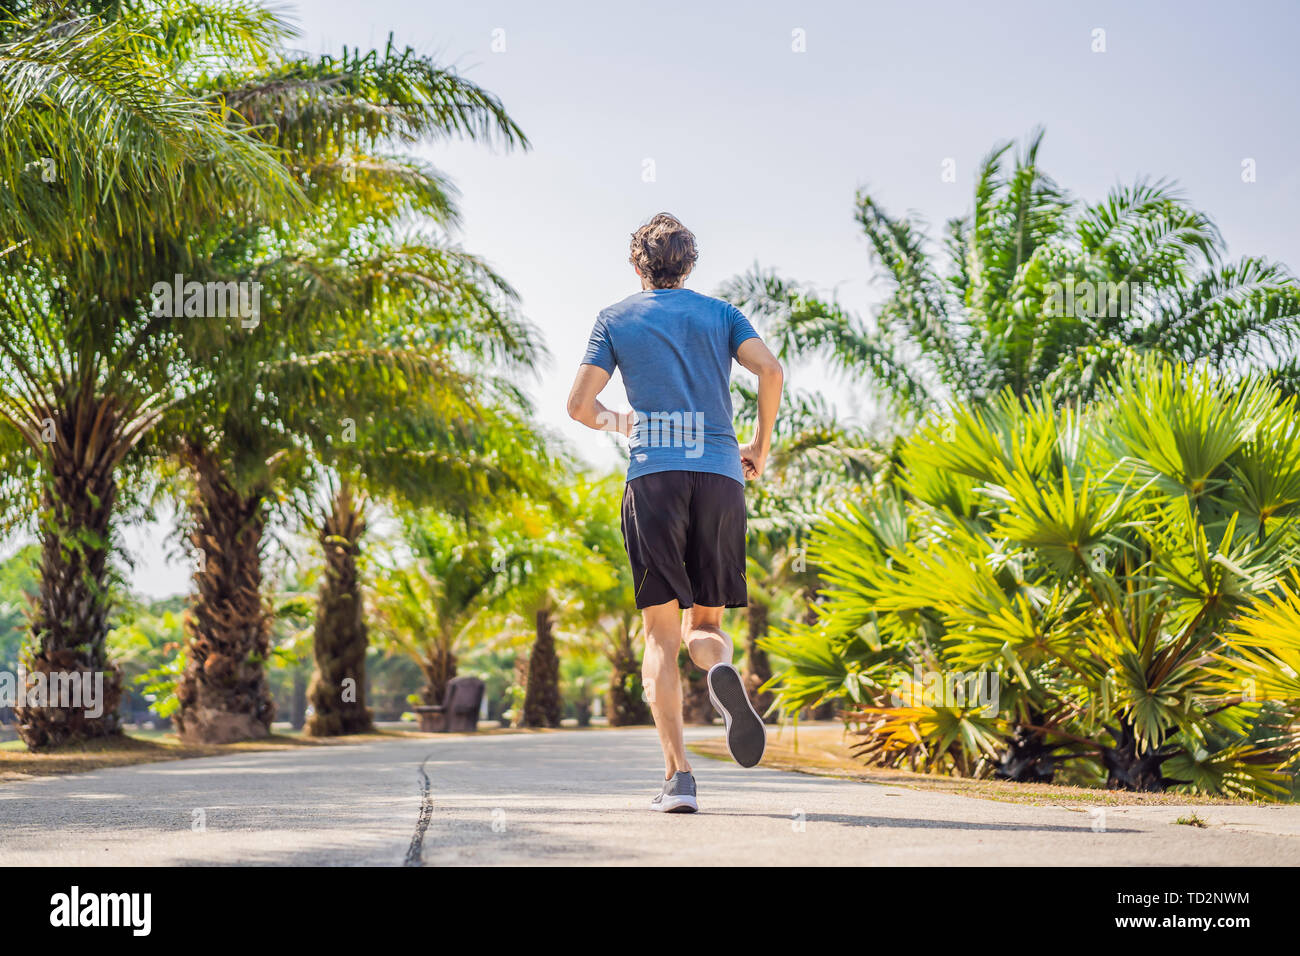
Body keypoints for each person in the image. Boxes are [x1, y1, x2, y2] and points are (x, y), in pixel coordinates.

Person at [566, 212, 784, 813]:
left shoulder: (615, 318)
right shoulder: (722, 315)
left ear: (637, 265)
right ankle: (718, 672)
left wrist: (626, 422)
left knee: (660, 635)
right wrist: (758, 449)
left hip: (655, 477)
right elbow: (770, 369)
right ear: (689, 264)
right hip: (719, 477)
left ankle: (679, 778)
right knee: (705, 628)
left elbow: (580, 406)